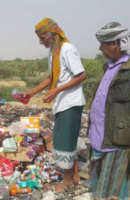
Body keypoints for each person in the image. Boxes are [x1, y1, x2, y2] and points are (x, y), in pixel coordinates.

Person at [24, 17, 87, 193]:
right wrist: (32, 92)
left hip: (70, 103)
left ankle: (67, 182)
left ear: (52, 34)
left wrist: (56, 91)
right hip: (62, 103)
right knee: (67, 141)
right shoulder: (55, 51)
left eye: (42, 38)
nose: (40, 42)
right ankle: (74, 177)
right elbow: (52, 78)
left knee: (65, 142)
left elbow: (81, 75)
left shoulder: (67, 49)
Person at [89, 22, 130, 200]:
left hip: (117, 137)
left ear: (116, 44)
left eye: (104, 44)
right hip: (98, 136)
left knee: (114, 186)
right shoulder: (110, 66)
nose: (100, 48)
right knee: (99, 181)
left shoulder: (128, 69)